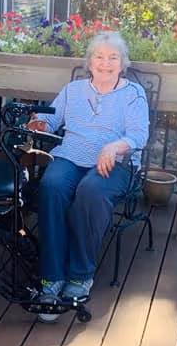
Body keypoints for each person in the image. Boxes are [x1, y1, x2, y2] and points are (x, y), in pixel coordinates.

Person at [28, 31, 150, 320]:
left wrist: (114, 146)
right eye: (99, 56)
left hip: (116, 162)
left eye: (113, 58)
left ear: (122, 63)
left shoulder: (133, 94)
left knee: (90, 191)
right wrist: (39, 123)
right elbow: (50, 119)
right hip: (70, 155)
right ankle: (52, 277)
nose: (105, 63)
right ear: (90, 61)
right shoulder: (73, 90)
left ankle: (80, 274)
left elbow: (139, 135)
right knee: (52, 185)